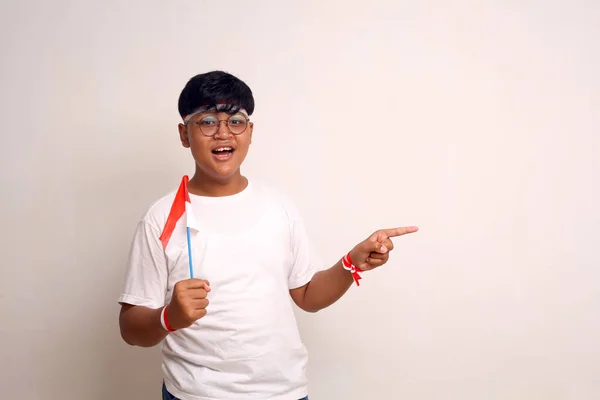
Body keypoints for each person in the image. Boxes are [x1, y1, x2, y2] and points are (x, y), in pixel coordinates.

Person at [117, 70, 418, 400]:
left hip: (283, 393)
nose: (222, 133)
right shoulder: (160, 219)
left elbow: (307, 295)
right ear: (184, 134)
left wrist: (351, 263)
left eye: (235, 121)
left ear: (249, 132)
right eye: (206, 121)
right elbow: (131, 329)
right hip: (194, 394)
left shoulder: (279, 206)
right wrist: (168, 317)